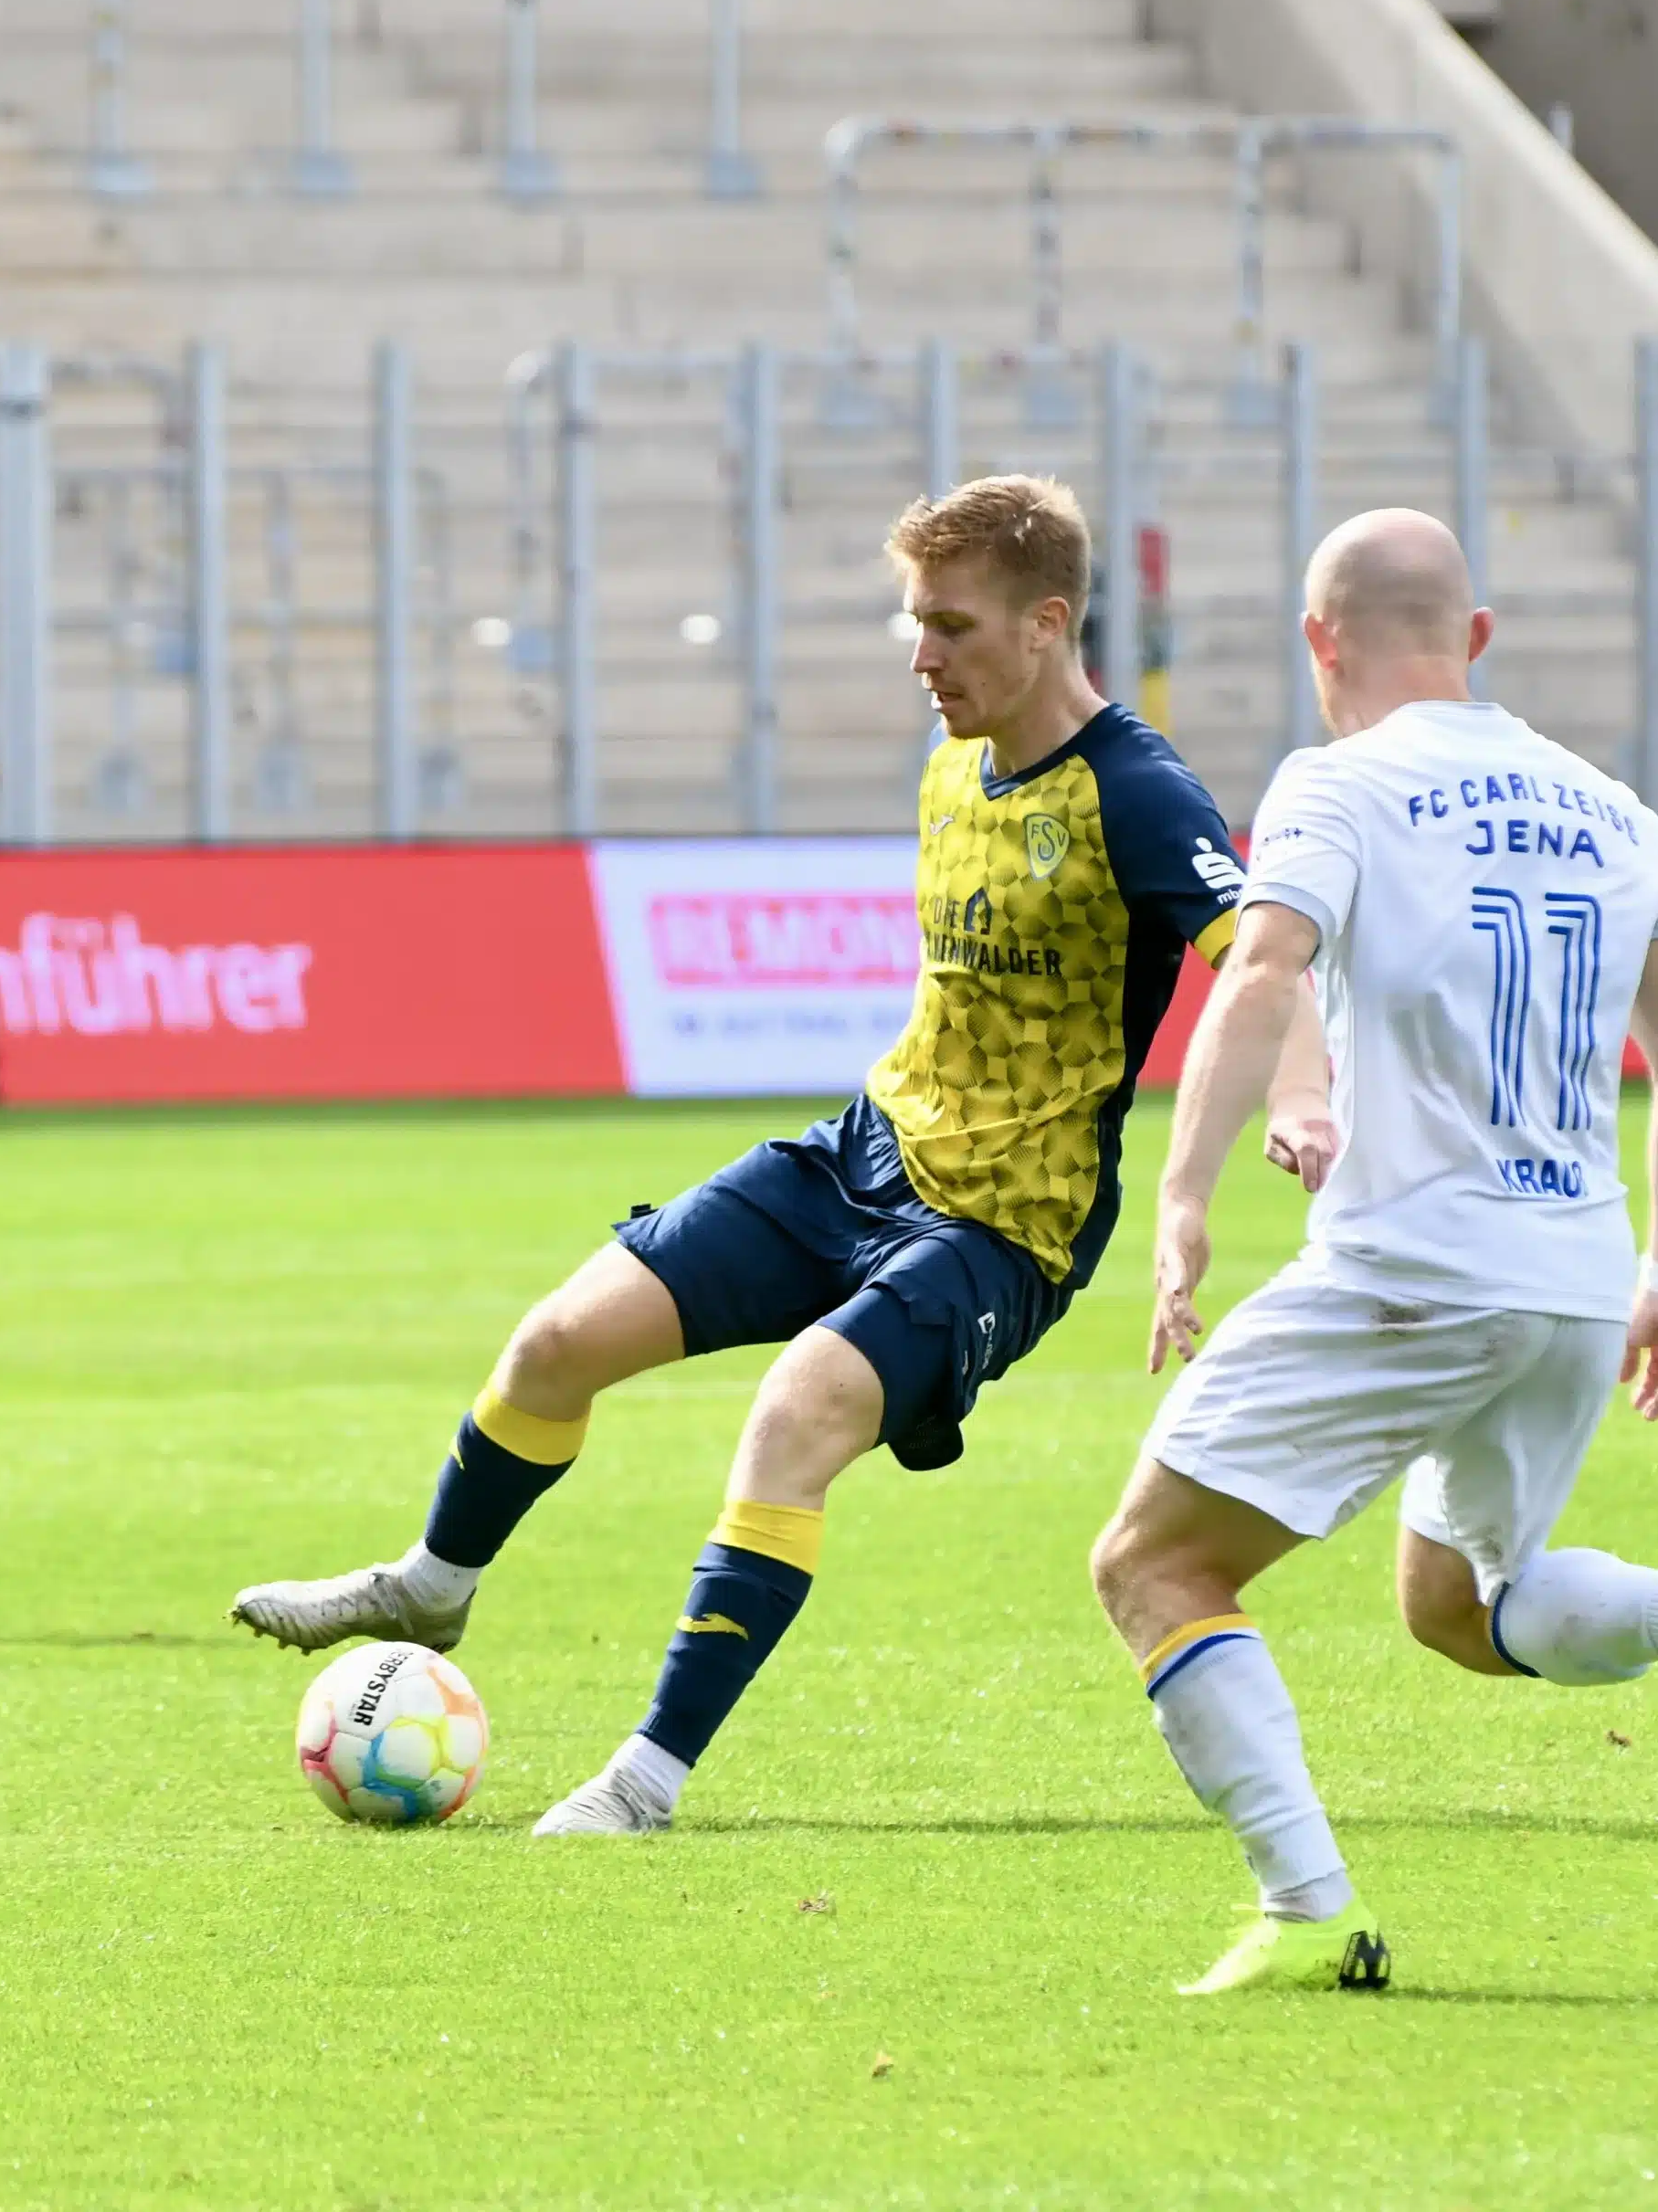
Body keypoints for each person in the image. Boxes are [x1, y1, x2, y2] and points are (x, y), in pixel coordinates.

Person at [230, 475, 1252, 1834]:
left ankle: (642, 1781)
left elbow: (1262, 968)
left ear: (1046, 622)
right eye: (912, 621)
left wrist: (1265, 1131)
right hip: (858, 1154)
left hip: (1004, 1226)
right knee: (553, 1345)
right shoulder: (955, 760)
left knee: (793, 1419)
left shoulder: (1136, 787)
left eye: (947, 626)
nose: (919, 656)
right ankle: (431, 1582)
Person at [1087, 509, 1658, 1996]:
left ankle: (1306, 1904)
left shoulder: (1336, 783)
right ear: (1477, 638)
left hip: (1409, 1269)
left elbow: (1258, 972)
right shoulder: (1617, 812)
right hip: (1571, 1281)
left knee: (1152, 1562)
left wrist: (1182, 1193)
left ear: (1319, 641)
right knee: (1458, 1605)